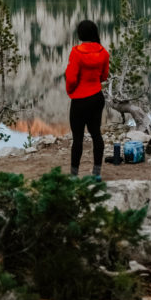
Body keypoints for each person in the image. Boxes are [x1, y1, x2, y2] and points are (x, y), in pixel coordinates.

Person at [65, 19, 109, 180]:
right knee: (96, 134)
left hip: (79, 100)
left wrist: (71, 91)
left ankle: (74, 176)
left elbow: (71, 78)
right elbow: (104, 76)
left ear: (81, 34)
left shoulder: (76, 52)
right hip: (97, 97)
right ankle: (97, 174)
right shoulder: (103, 52)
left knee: (78, 138)